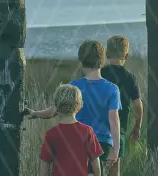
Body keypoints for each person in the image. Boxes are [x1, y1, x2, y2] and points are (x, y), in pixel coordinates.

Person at [29, 40, 121, 174]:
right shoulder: (113, 89)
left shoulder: (74, 87)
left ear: (81, 61)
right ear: (102, 61)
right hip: (103, 144)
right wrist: (116, 150)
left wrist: (35, 113)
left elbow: (54, 110)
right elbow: (114, 120)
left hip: (76, 141)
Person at [100, 35, 143, 176]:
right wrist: (137, 126)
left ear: (106, 54)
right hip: (119, 129)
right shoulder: (129, 77)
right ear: (127, 56)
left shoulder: (101, 73)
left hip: (98, 128)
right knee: (115, 168)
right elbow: (137, 105)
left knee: (95, 166)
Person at [39, 84, 104, 176]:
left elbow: (45, 163)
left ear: (56, 106)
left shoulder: (51, 133)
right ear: (79, 106)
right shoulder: (87, 131)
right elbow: (95, 162)